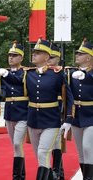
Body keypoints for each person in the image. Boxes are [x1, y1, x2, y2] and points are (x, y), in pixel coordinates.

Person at [25, 39, 74, 179]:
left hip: (51, 121)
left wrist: (69, 117)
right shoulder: (28, 74)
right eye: (34, 52)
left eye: (38, 53)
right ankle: (52, 176)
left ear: (47, 57)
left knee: (43, 153)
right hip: (33, 121)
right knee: (40, 157)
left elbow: (68, 97)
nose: (34, 55)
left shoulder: (57, 74)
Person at [0, 41, 28, 180]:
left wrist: (6, 75)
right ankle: (21, 175)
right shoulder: (4, 73)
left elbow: (18, 81)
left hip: (23, 112)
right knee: (16, 146)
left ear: (21, 58)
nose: (11, 58)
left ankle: (17, 176)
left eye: (15, 55)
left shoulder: (26, 73)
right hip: (9, 113)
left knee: (17, 143)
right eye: (10, 55)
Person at [65, 39, 93, 179]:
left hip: (91, 115)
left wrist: (87, 76)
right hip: (77, 115)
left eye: (80, 54)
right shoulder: (71, 73)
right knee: (81, 150)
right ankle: (86, 176)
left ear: (88, 57)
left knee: (88, 147)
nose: (77, 55)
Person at [47, 43, 65, 179]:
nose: (49, 60)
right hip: (44, 110)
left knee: (57, 140)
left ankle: (57, 171)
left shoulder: (61, 73)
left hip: (58, 107)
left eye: (52, 58)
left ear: (58, 59)